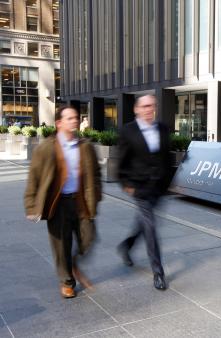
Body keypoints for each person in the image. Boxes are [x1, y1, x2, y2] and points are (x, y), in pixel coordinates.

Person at [24, 106, 102, 298]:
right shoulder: (45, 148)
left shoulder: (85, 146)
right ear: (59, 123)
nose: (74, 121)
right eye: (69, 118)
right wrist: (31, 205)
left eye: (76, 118)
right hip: (57, 204)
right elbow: (34, 177)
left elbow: (96, 173)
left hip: (81, 201)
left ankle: (73, 262)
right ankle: (67, 281)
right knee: (61, 245)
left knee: (89, 237)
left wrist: (96, 194)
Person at [117, 94, 172, 290]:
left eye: (153, 106)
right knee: (151, 227)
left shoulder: (163, 128)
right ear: (137, 109)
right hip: (139, 188)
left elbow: (167, 157)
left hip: (159, 188)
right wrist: (126, 184)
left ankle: (127, 246)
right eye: (146, 106)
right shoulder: (128, 131)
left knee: (143, 223)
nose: (150, 109)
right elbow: (121, 162)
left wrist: (168, 182)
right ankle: (158, 273)